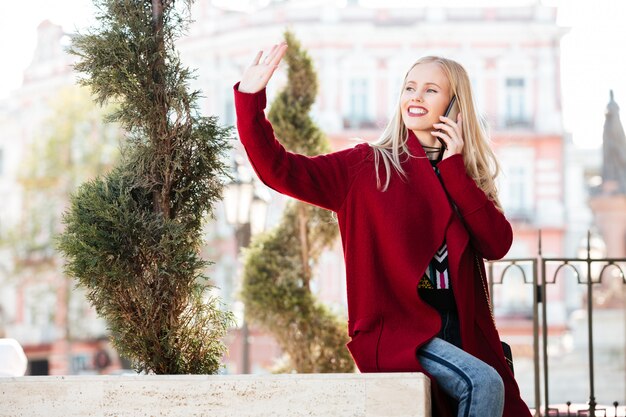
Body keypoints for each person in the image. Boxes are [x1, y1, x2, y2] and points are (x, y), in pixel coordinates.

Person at [234, 42, 532, 417]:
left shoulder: (465, 176)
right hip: (400, 333)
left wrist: (455, 168)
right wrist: (250, 98)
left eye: (431, 89)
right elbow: (279, 169)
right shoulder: (368, 165)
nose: (416, 96)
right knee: (483, 382)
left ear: (455, 106)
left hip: (463, 335)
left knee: (497, 390)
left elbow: (496, 243)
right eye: (409, 87)